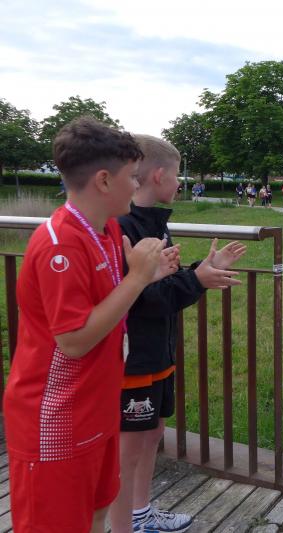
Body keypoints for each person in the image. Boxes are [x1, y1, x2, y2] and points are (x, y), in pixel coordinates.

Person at [2, 117, 179, 532]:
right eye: (131, 177)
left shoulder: (107, 229)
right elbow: (74, 340)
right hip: (56, 418)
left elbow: (106, 300)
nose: (136, 186)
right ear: (103, 180)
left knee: (97, 511)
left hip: (98, 406)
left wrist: (146, 277)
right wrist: (136, 279)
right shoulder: (60, 245)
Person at [110, 134, 246, 533]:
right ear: (158, 175)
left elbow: (160, 283)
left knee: (152, 431)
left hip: (159, 351)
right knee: (130, 445)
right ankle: (125, 522)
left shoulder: (154, 223)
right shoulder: (124, 227)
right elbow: (140, 298)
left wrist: (199, 271)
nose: (180, 183)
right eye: (177, 174)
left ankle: (141, 512)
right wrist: (197, 280)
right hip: (134, 357)